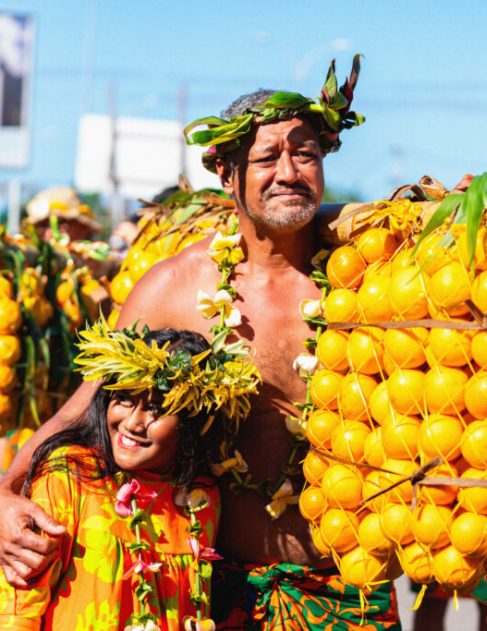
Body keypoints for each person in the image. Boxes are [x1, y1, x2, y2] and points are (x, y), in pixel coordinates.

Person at [0, 56, 401, 628]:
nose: (288, 171)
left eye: (305, 153)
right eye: (267, 157)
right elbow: (81, 409)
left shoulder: (369, 281)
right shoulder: (176, 288)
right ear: (228, 176)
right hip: (216, 588)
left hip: (351, 592)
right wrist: (5, 494)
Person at [0, 324, 221, 629]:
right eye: (125, 399)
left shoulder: (201, 499)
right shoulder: (69, 475)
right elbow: (18, 609)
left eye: (156, 409)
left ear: (192, 422)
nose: (133, 423)